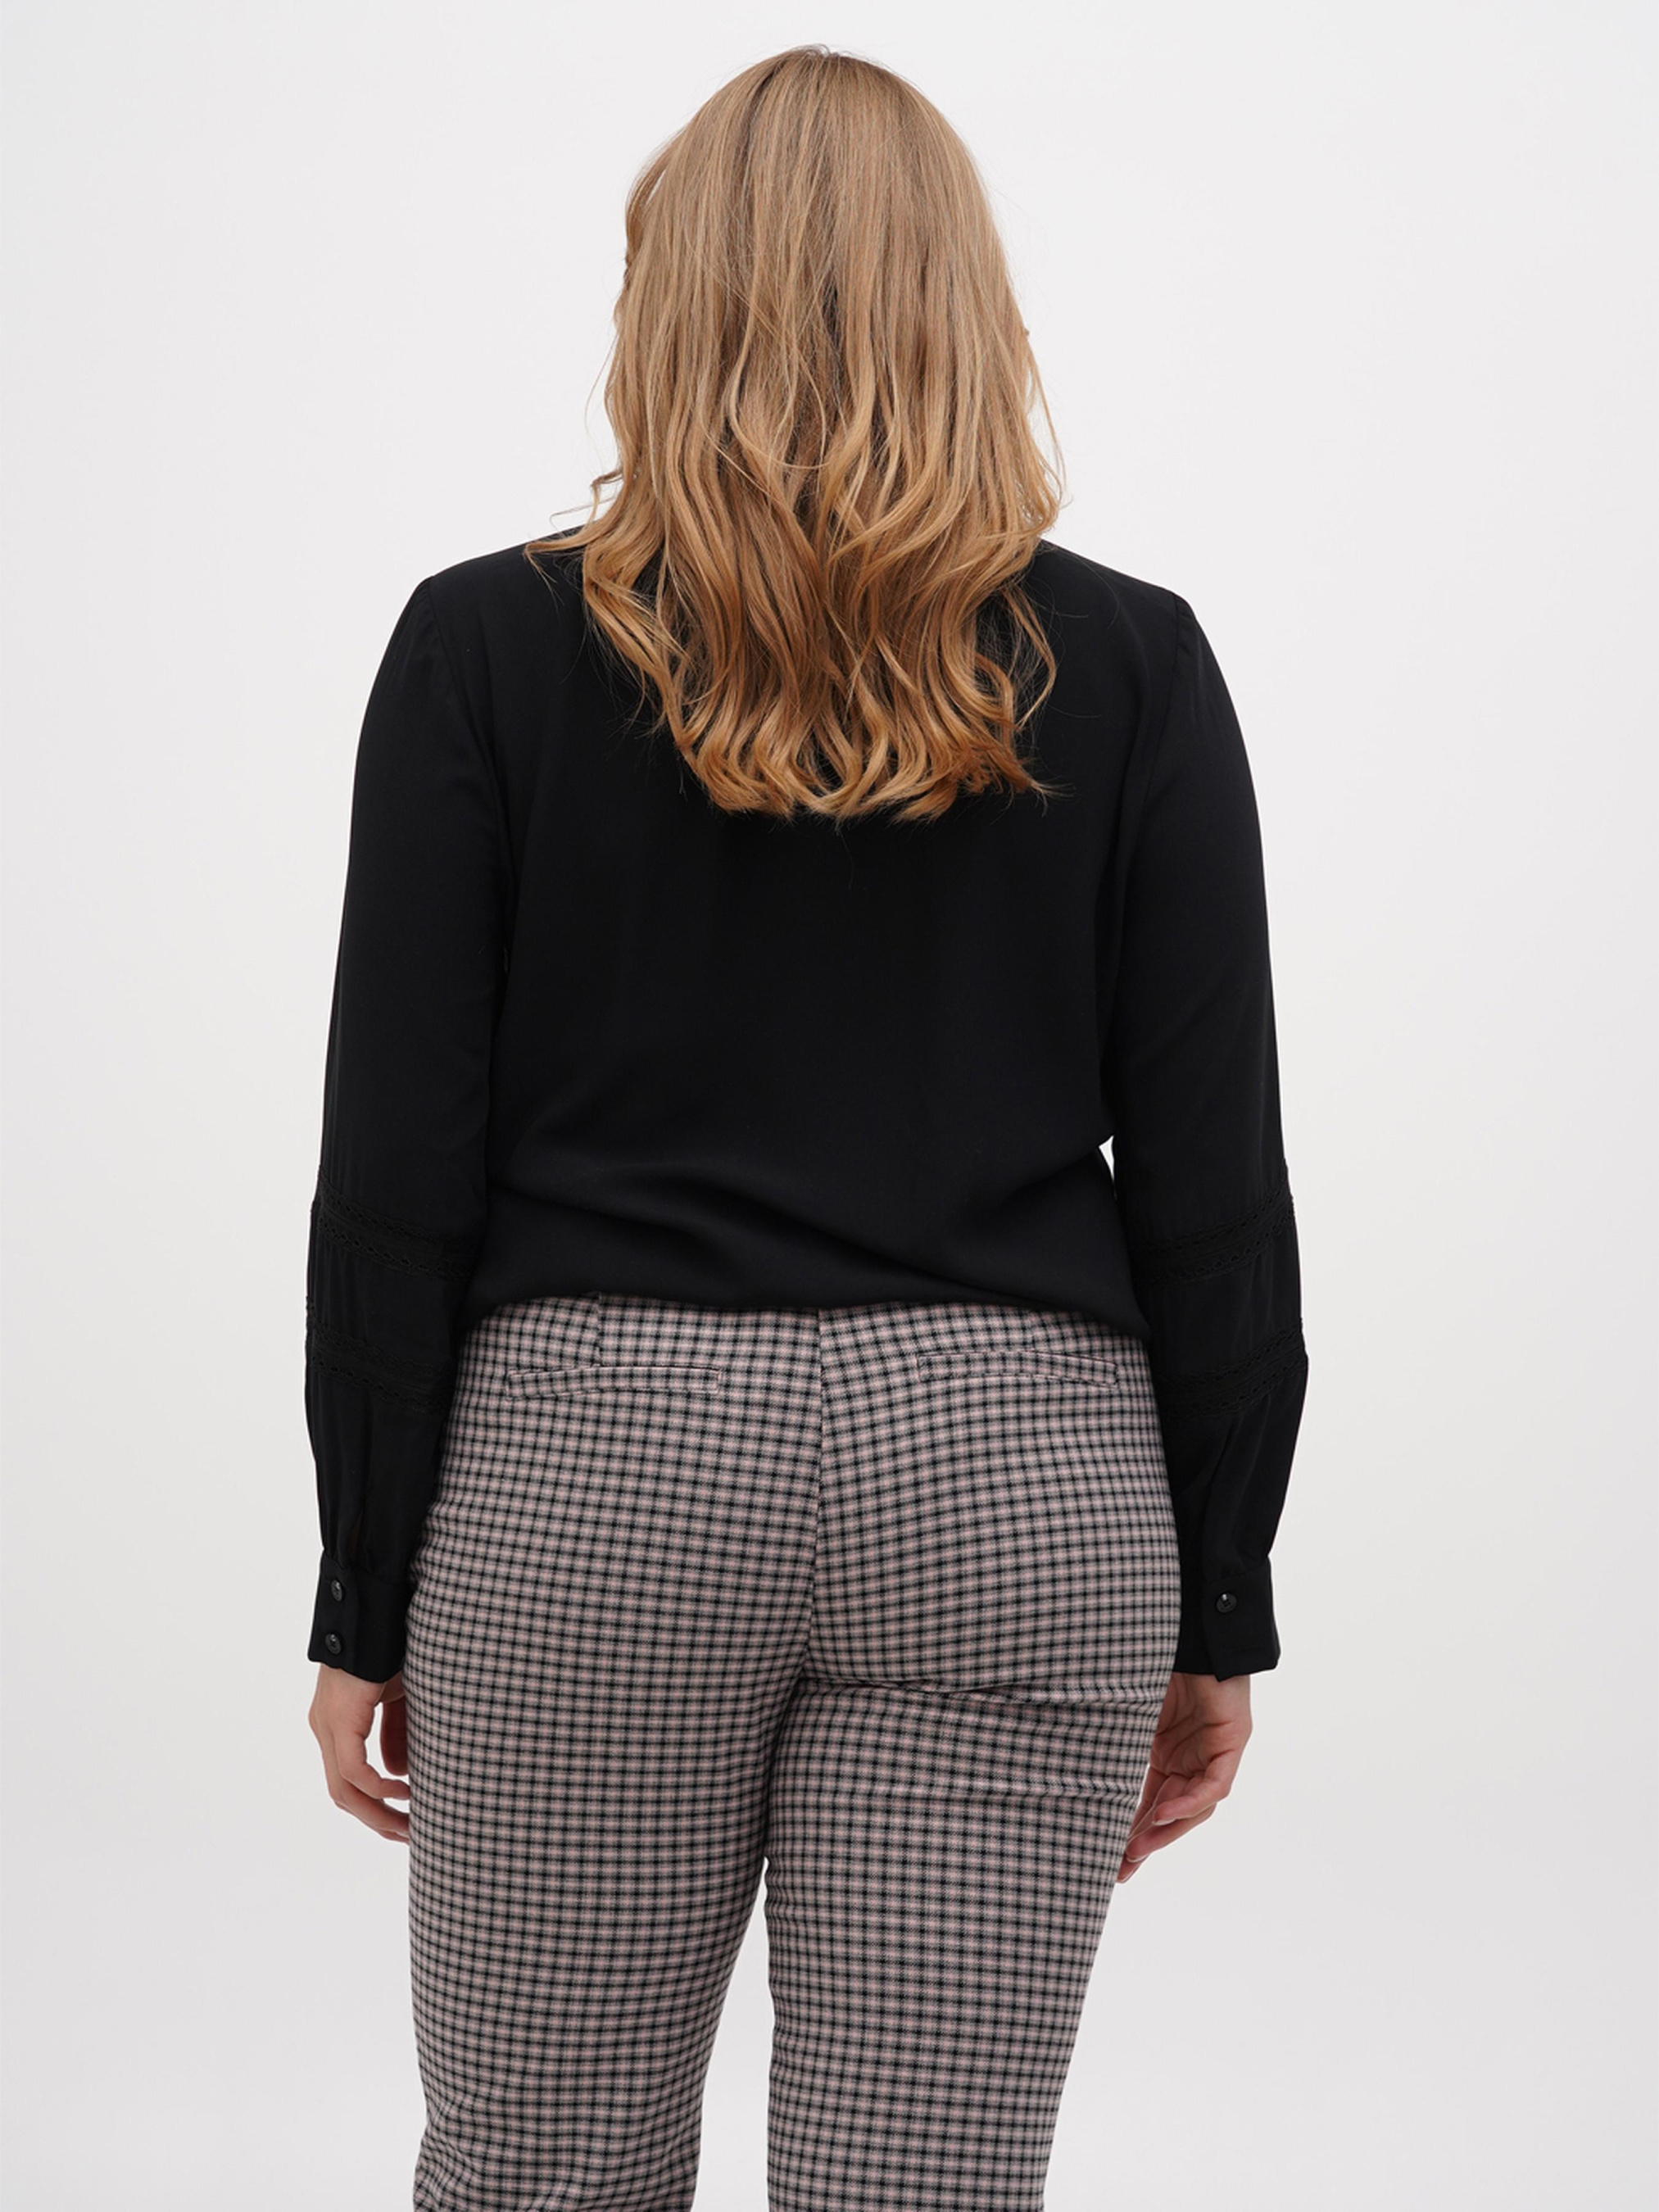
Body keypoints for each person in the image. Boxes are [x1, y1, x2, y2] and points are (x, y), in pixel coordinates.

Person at [302, 43, 1309, 2212]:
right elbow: (1215, 1185)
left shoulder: (481, 651)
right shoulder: (1134, 666)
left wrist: (364, 1578)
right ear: (969, 305)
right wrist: (1218, 1587)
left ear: (660, 300)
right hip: (1016, 1480)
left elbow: (394, 1174)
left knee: (542, 2171)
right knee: (920, 2185)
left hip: (591, 1477)